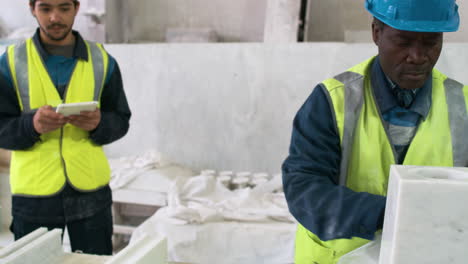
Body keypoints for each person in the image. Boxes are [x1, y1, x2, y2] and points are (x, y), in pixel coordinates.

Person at [282, 0, 466, 263]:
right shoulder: (332, 101)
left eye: (431, 42)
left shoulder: (462, 106)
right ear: (376, 33)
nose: (417, 56)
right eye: (403, 41)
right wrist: (392, 213)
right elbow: (305, 191)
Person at [0, 0, 131, 255]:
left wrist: (99, 124)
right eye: (45, 9)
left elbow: (121, 120)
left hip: (91, 192)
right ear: (32, 9)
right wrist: (32, 125)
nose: (54, 17)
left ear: (77, 8)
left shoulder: (102, 61)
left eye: (63, 8)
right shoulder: (11, 63)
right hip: (33, 193)